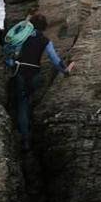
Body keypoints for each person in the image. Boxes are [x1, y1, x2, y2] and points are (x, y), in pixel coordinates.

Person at [10, 13, 74, 151]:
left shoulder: (22, 36)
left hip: (20, 72)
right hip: (34, 74)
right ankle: (31, 128)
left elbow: (12, 49)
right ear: (44, 27)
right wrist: (65, 71)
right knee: (29, 99)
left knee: (22, 104)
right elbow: (54, 59)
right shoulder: (45, 40)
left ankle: (25, 138)